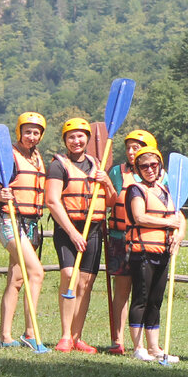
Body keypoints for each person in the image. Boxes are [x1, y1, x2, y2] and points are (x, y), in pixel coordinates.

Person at [45, 117, 115, 353]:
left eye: (80, 136)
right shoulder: (58, 165)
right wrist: (73, 233)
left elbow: (112, 201)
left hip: (93, 228)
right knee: (69, 276)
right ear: (65, 140)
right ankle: (65, 335)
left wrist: (106, 183)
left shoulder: (98, 164)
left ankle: (77, 336)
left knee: (85, 283)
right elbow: (53, 201)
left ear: (87, 139)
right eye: (71, 137)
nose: (76, 140)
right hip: (68, 228)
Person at [0, 112, 48, 348]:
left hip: (30, 225)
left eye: (36, 132)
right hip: (10, 222)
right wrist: (0, 195)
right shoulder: (7, 156)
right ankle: (30, 334)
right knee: (37, 273)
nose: (31, 136)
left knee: (16, 280)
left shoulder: (38, 158)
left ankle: (4, 337)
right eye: (27, 131)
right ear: (19, 132)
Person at [124, 146, 186, 361]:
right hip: (142, 252)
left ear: (160, 167)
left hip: (163, 252)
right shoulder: (136, 190)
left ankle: (154, 348)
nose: (149, 169)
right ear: (138, 169)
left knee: (155, 300)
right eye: (144, 166)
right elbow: (139, 217)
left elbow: (180, 217)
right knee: (140, 298)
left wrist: (179, 235)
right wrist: (167, 222)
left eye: (153, 165)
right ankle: (138, 348)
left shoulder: (167, 191)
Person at [105, 129, 160, 355]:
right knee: (122, 289)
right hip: (120, 237)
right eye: (128, 147)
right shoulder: (117, 172)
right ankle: (118, 340)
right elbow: (110, 199)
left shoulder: (158, 174)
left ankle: (148, 343)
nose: (130, 151)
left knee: (146, 292)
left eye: (136, 147)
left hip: (146, 241)